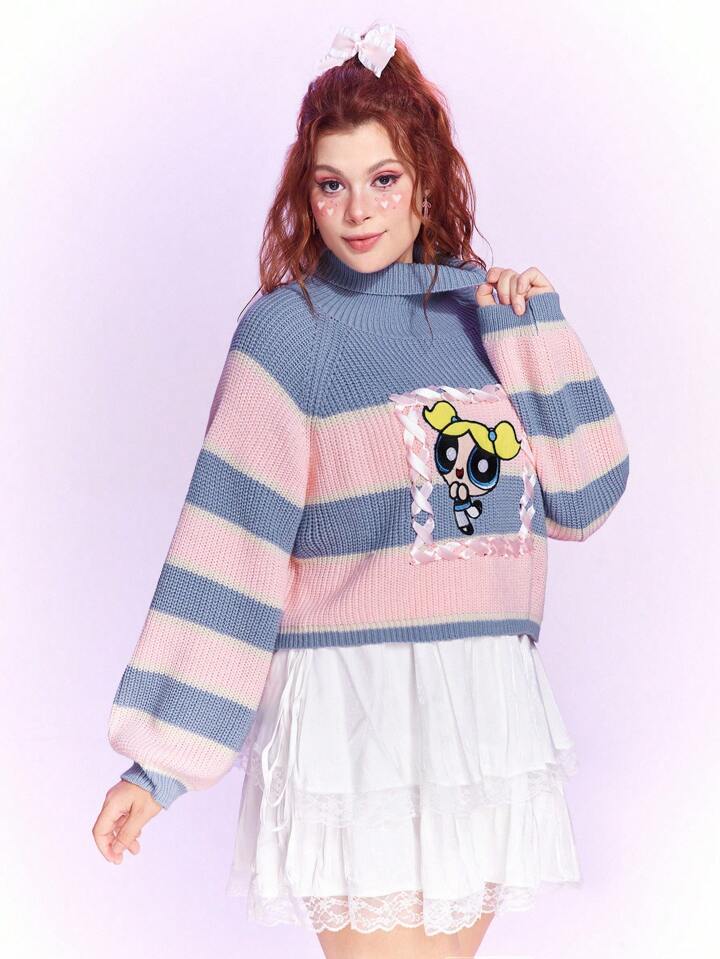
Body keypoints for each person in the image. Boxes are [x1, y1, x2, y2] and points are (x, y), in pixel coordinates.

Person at [92, 21, 630, 959]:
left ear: (424, 180)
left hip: (483, 715)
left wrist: (535, 328)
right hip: (355, 721)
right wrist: (160, 767)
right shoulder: (289, 335)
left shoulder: (484, 316)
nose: (357, 210)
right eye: (330, 184)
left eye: (382, 179)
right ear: (305, 194)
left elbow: (584, 499)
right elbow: (230, 549)